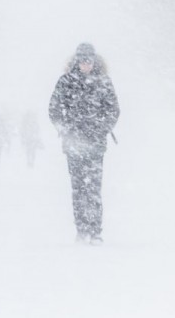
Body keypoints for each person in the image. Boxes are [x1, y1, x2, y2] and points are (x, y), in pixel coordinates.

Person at [49, 43, 120, 245]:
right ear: (76, 61)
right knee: (78, 188)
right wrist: (65, 129)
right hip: (73, 145)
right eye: (82, 60)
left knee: (94, 189)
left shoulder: (104, 82)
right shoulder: (65, 82)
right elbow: (54, 109)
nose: (85, 64)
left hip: (96, 145)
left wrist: (101, 128)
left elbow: (113, 110)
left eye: (88, 60)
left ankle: (96, 231)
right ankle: (81, 229)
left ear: (94, 61)